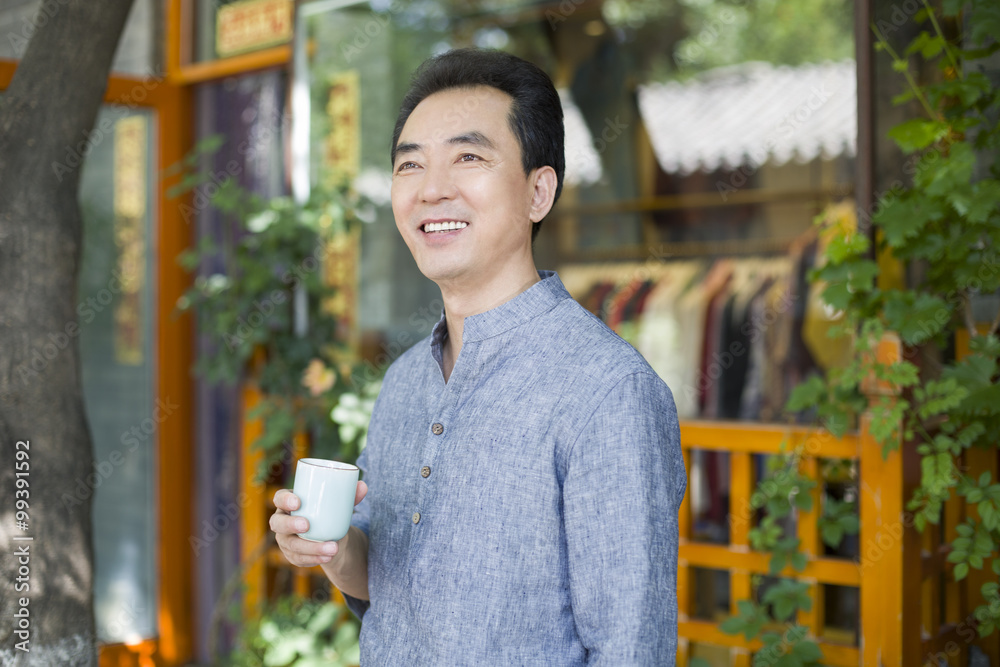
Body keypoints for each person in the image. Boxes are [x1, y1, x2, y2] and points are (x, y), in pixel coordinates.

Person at [270, 47, 686, 664]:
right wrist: (329, 549)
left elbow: (631, 650)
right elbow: (382, 585)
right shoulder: (406, 380)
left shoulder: (606, 391)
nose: (433, 189)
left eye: (468, 157)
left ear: (537, 191)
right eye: (410, 166)